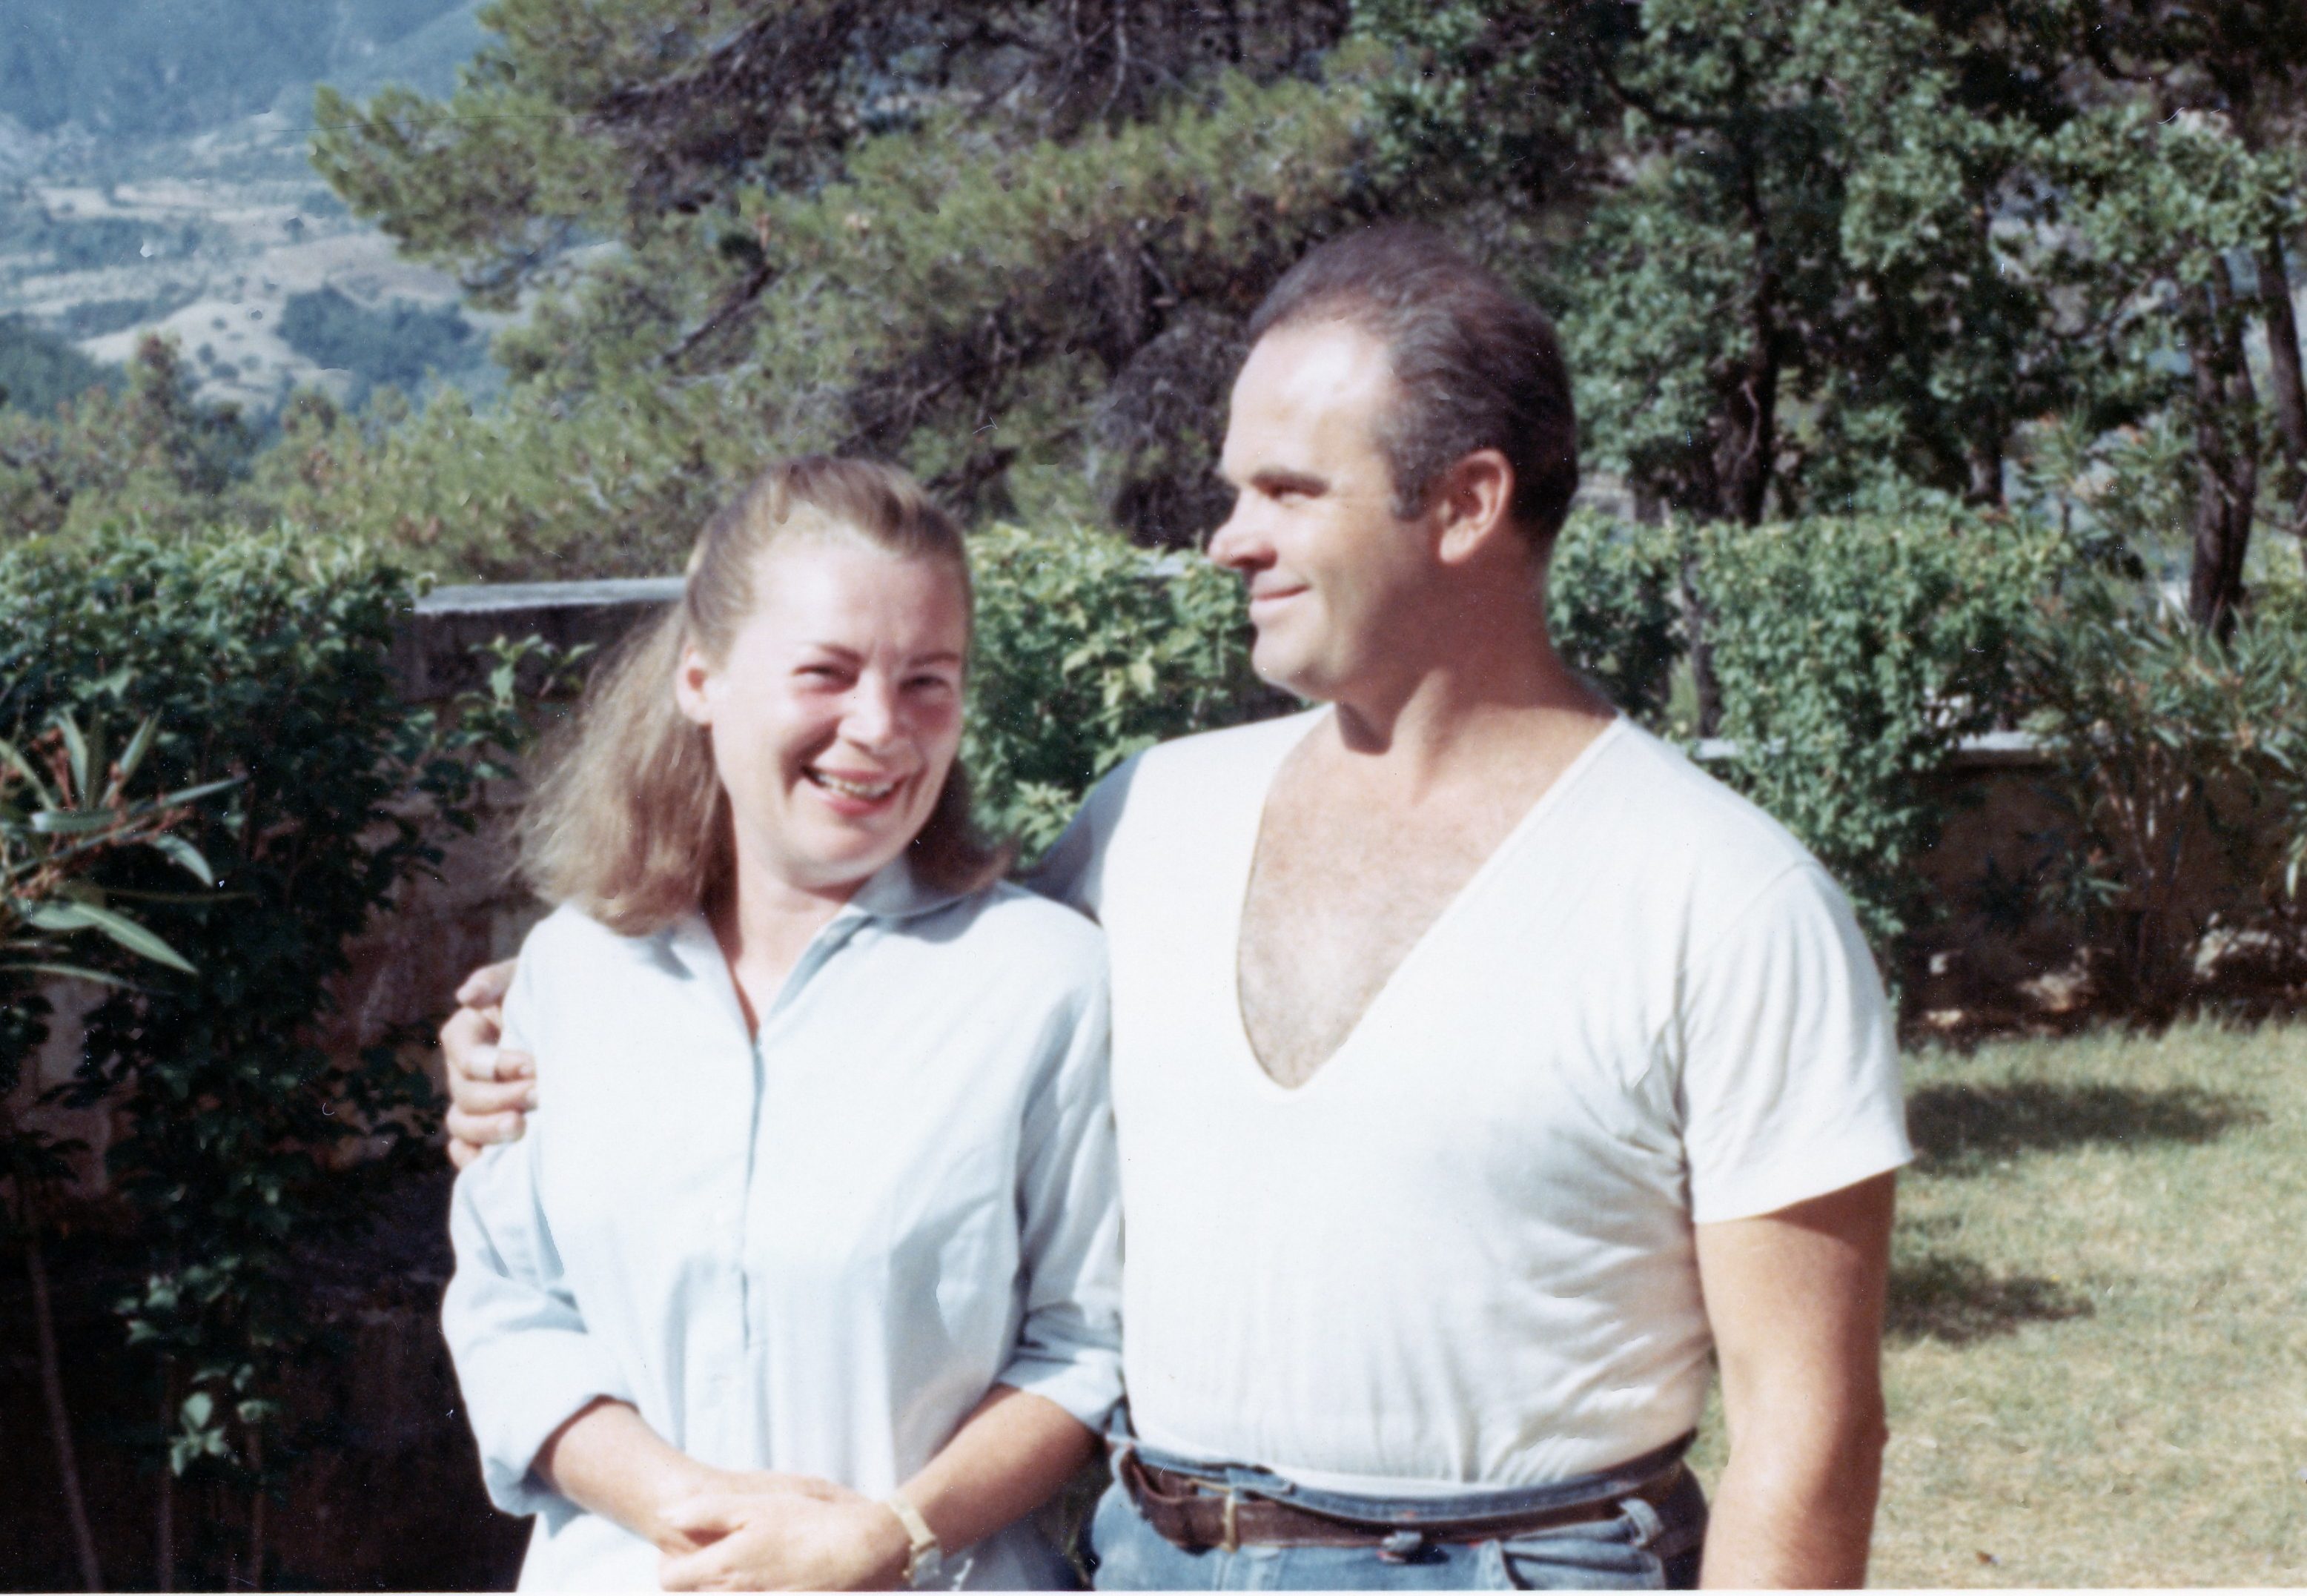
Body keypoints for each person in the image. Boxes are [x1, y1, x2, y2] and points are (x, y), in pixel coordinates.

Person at [444, 228, 1910, 1589]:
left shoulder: (1722, 899)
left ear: (1463, 503)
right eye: (1232, 492)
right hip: (1148, 1558)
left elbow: (1810, 1439)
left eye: (1284, 490)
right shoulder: (1147, 817)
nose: (1227, 538)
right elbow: (884, 1014)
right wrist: (556, 1028)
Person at [440, 457, 1121, 1592]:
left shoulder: (1042, 979)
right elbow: (513, 1312)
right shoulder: (568, 972)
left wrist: (889, 1533)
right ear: (700, 677)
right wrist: (688, 1508)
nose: (879, 728)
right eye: (828, 672)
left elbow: (1087, 1343)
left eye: (927, 682)